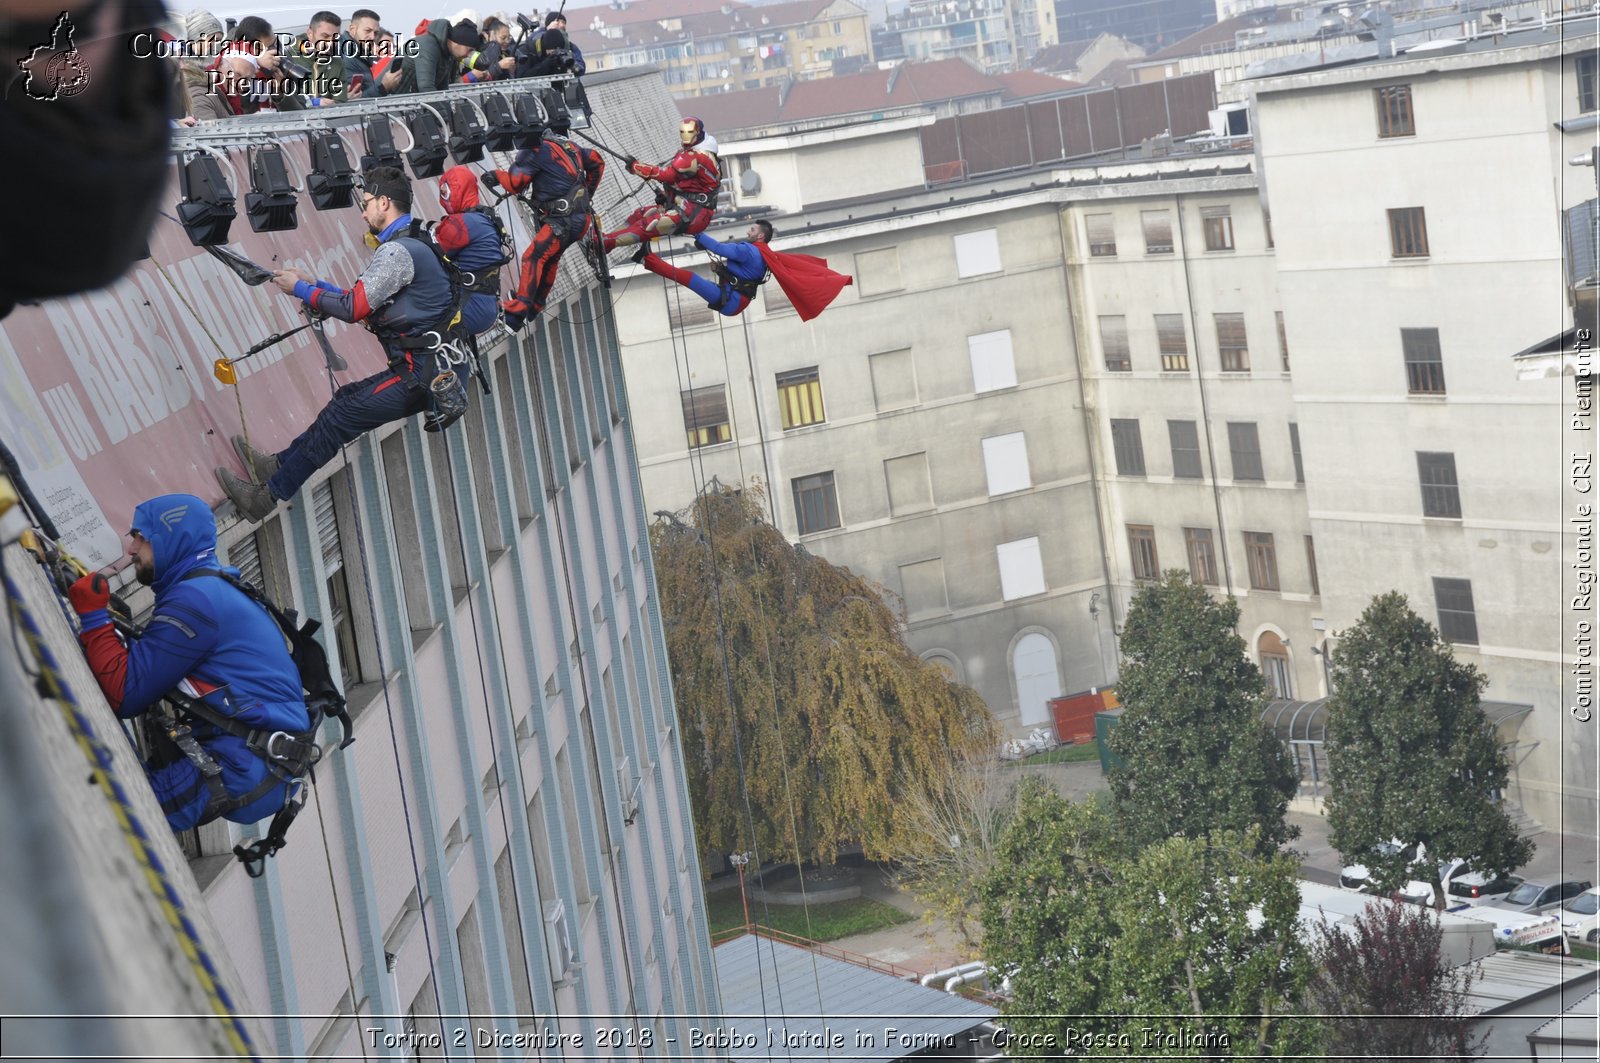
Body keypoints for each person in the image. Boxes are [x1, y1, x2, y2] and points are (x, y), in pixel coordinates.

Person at [215, 167, 468, 521]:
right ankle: (275, 466)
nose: (363, 213)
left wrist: (301, 289)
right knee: (345, 401)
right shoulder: (414, 241)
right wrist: (313, 284)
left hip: (422, 374)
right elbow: (361, 302)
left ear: (384, 202)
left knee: (341, 416)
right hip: (434, 370)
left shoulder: (397, 252)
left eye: (366, 205)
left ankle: (266, 498)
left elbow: (354, 308)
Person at [66, 495, 311, 831]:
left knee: (104, 820)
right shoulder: (209, 585)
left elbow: (125, 693)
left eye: (141, 537)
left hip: (245, 763)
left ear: (171, 538)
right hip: (256, 757)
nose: (133, 549)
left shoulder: (196, 600)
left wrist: (94, 618)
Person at [485, 108, 604, 331]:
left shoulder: (534, 150)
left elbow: (515, 183)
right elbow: (597, 161)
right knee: (551, 258)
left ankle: (518, 311)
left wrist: (496, 175)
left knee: (533, 257)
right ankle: (535, 304)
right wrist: (588, 192)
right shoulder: (567, 145)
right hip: (579, 219)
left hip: (562, 221)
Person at [602, 117, 720, 252]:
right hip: (688, 207)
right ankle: (606, 240)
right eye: (683, 132)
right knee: (640, 214)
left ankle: (607, 243)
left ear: (697, 133)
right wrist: (667, 195)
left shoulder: (697, 156)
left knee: (649, 224)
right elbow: (688, 183)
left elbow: (667, 175)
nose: (685, 136)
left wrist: (636, 167)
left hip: (694, 214)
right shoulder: (695, 152)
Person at [434, 165, 512, 335]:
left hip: (469, 305)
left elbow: (431, 255)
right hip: (485, 305)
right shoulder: (485, 218)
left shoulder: (460, 224)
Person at [638, 221, 772, 318]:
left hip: (733, 301)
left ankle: (646, 259)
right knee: (691, 278)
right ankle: (645, 258)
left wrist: (695, 232)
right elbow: (742, 278)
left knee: (691, 278)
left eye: (753, 230)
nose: (748, 232)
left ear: (760, 236)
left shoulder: (749, 250)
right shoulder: (762, 255)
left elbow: (719, 248)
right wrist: (721, 271)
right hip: (734, 300)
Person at [397, 17, 482, 94]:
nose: (468, 55)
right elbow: (426, 88)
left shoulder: (447, 53)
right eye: (470, 50)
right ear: (458, 42)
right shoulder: (428, 46)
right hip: (391, 101)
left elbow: (442, 89)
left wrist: (447, 110)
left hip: (403, 102)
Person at [343, 9, 402, 96]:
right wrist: (384, 87)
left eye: (376, 33)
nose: (372, 36)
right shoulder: (346, 56)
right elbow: (353, 102)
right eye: (367, 31)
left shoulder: (360, 54)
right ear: (352, 29)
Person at [516, 10, 584, 78]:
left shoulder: (570, 47)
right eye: (558, 22)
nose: (562, 25)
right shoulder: (531, 46)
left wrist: (571, 64)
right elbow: (533, 39)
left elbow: (580, 68)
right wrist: (547, 29)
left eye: (563, 22)